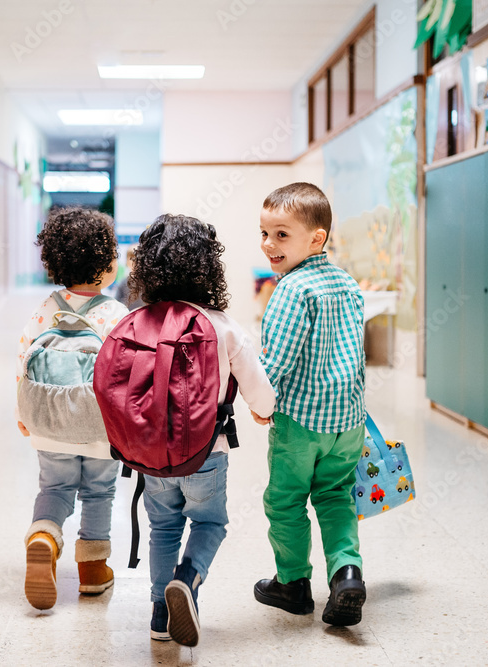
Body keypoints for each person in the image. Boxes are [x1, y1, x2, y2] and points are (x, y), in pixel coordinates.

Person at [128, 215, 275, 646]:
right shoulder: (222, 324)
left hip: (152, 453)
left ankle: (159, 614)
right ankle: (187, 580)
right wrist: (263, 412)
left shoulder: (139, 321)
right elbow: (259, 392)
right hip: (207, 450)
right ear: (209, 267)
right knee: (210, 522)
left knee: (163, 527)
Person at [252, 182, 369, 626]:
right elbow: (355, 356)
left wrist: (261, 403)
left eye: (282, 235)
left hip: (301, 424)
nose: (268, 244)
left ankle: (293, 584)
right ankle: (347, 575)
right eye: (264, 233)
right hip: (347, 422)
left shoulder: (291, 289)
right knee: (336, 496)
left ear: (315, 239)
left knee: (285, 502)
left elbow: (273, 363)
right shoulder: (347, 284)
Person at [16, 207, 130, 611]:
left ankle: (44, 538)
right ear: (103, 267)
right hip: (98, 426)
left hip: (48, 422)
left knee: (55, 488)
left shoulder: (45, 308)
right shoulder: (116, 314)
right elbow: (126, 375)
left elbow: (22, 359)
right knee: (99, 491)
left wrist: (25, 416)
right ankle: (93, 573)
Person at [113, 245, 144, 310]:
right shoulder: (124, 282)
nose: (134, 261)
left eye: (137, 258)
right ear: (126, 261)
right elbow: (117, 301)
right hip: (127, 315)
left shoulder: (147, 282)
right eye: (131, 258)